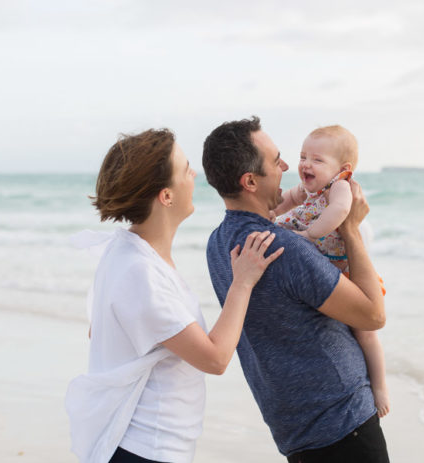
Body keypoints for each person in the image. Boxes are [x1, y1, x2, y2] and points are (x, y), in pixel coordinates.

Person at [65, 128, 283, 463]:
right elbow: (215, 358)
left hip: (140, 444)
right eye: (185, 170)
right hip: (145, 448)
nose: (194, 174)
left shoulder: (126, 252)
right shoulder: (140, 272)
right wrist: (242, 283)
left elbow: (101, 330)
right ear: (166, 196)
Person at [202, 116, 389, 462]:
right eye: (276, 161)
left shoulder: (217, 244)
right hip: (342, 422)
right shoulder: (284, 247)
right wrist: (350, 229)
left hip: (292, 429)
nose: (288, 166)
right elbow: (373, 315)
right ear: (250, 181)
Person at [273, 125, 390, 418]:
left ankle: (380, 386)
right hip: (327, 268)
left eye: (317, 159)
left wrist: (310, 234)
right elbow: (285, 200)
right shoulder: (309, 190)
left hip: (348, 271)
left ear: (343, 168)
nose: (305, 164)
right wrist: (269, 214)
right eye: (302, 156)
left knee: (365, 334)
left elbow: (339, 212)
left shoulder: (341, 187)